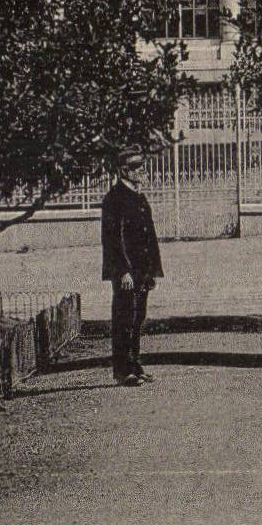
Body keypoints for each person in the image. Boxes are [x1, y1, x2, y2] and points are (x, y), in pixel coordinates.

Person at [100, 160, 163, 387]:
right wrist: (122, 271)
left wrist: (152, 270)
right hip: (127, 271)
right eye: (137, 168)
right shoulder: (114, 199)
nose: (143, 171)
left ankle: (135, 365)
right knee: (124, 318)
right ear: (124, 171)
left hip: (142, 269)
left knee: (138, 318)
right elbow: (112, 239)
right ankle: (122, 371)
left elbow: (149, 236)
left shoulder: (138, 196)